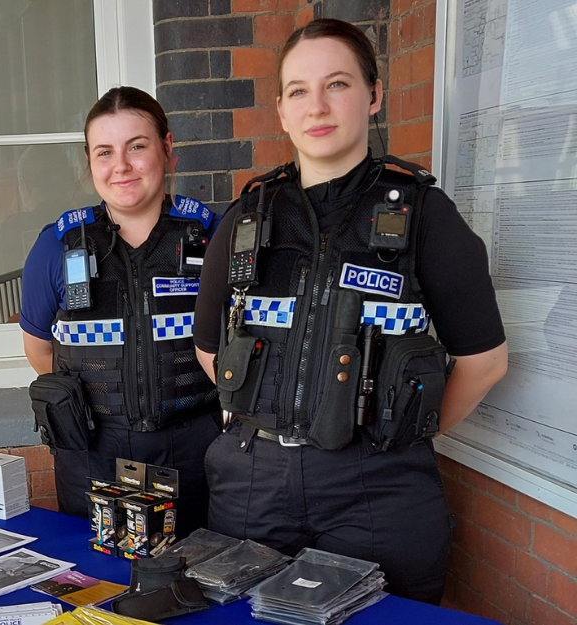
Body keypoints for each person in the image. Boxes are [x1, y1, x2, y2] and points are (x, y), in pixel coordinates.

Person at [193, 19, 507, 605]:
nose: (318, 106)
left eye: (336, 84)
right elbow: (209, 347)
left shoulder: (423, 214)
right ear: (282, 112)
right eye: (298, 90)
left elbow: (484, 361)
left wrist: (405, 429)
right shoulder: (247, 219)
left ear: (374, 95)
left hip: (379, 489)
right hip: (252, 486)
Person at [20, 86, 222, 534]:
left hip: (194, 447)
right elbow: (40, 352)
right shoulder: (56, 247)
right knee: (98, 585)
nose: (121, 167)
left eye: (137, 146)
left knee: (201, 578)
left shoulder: (215, 238)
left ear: (167, 148)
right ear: (89, 162)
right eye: (105, 152)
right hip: (92, 450)